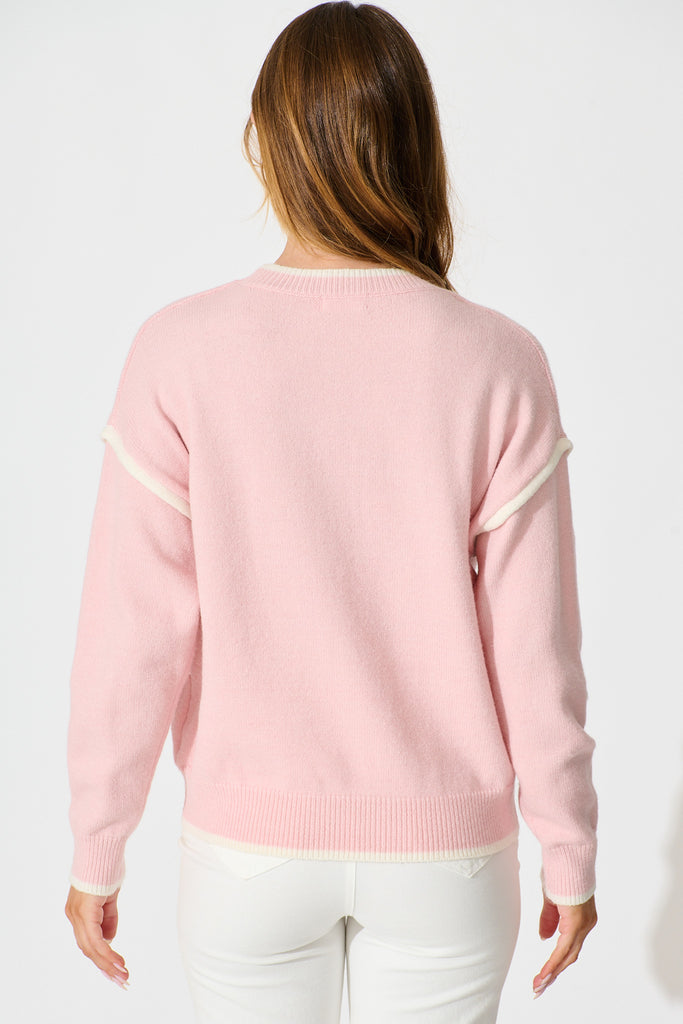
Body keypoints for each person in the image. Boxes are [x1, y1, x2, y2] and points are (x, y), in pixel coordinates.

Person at [64, 2, 598, 1020]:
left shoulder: (178, 351)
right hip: (446, 857)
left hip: (246, 856)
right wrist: (567, 849)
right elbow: (535, 647)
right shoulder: (500, 361)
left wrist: (99, 842)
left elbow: (130, 637)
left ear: (266, 143)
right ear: (414, 145)